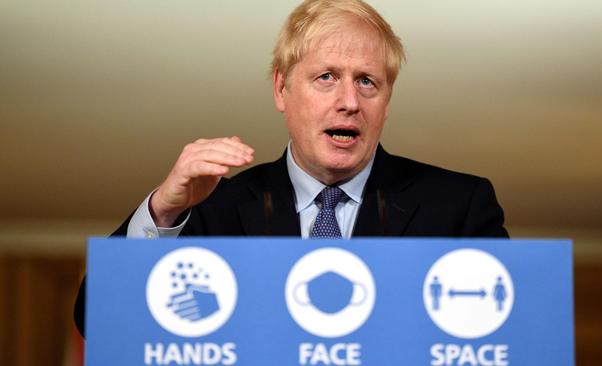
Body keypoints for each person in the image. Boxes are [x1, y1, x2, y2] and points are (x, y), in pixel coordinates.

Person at [74, 0, 508, 336]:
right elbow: (100, 321)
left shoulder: (458, 206)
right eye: (326, 77)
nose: (350, 102)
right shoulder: (212, 207)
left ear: (386, 102)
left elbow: (507, 336)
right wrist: (163, 212)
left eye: (367, 81)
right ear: (282, 89)